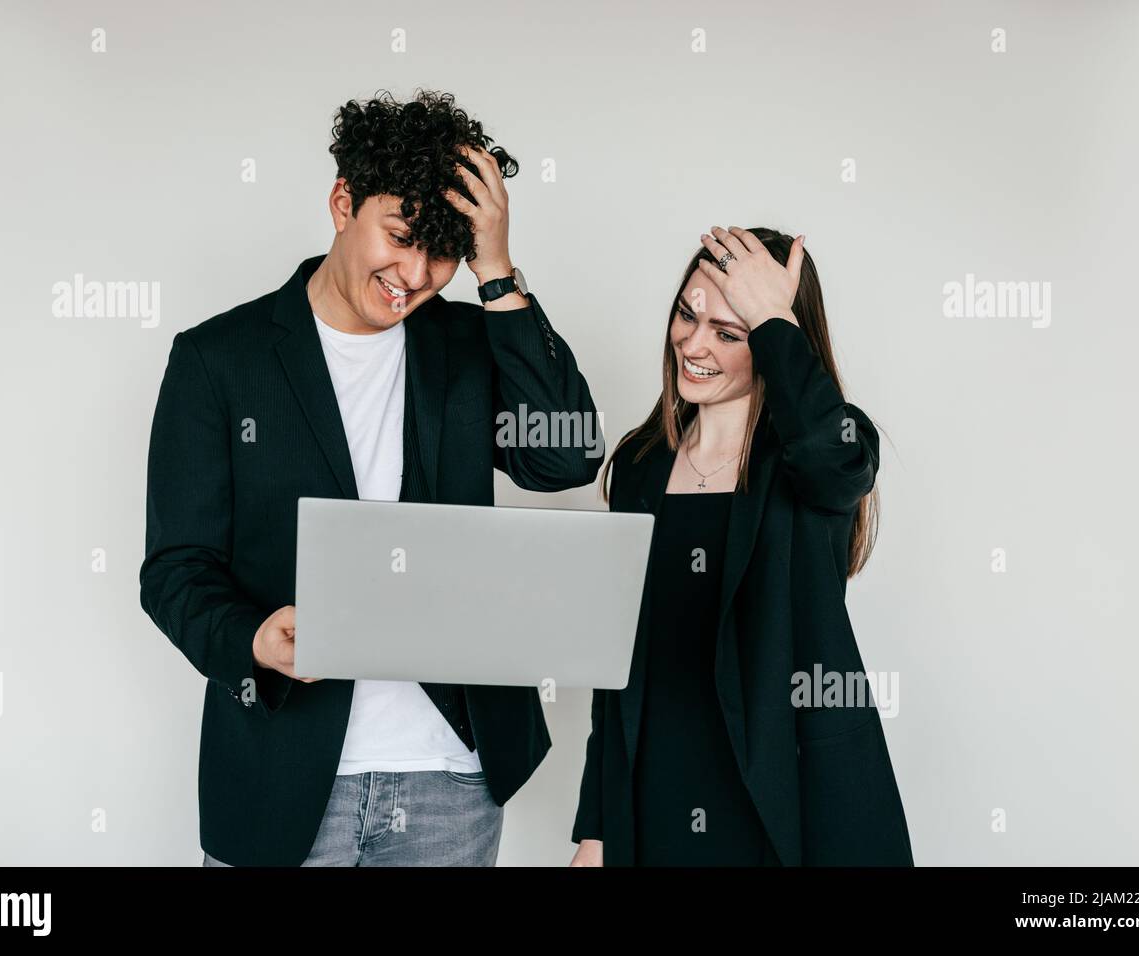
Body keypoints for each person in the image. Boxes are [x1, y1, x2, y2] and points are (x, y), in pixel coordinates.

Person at [139, 89, 601, 866]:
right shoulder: (217, 360)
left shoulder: (467, 341)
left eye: (443, 253)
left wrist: (496, 272)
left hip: (448, 781)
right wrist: (252, 638)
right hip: (279, 772)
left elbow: (567, 455)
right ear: (342, 203)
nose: (414, 275)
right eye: (400, 237)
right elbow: (175, 569)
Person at [569, 226, 913, 866]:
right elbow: (616, 668)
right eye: (687, 314)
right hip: (658, 801)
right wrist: (598, 829)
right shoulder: (642, 464)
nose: (694, 344)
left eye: (729, 333)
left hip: (788, 807)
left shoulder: (814, 455)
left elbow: (837, 461)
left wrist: (774, 317)